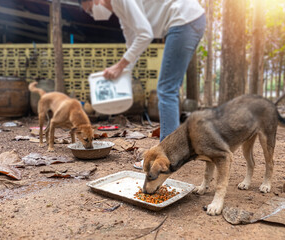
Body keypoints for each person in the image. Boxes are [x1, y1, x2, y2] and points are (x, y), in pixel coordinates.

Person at [80, 0, 206, 169]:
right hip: (186, 21)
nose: (93, 16)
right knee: (169, 89)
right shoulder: (120, 12)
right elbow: (132, 44)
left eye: (89, 10)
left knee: (166, 90)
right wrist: (121, 73)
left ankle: (165, 156)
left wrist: (119, 67)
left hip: (185, 20)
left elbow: (145, 34)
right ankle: (173, 150)